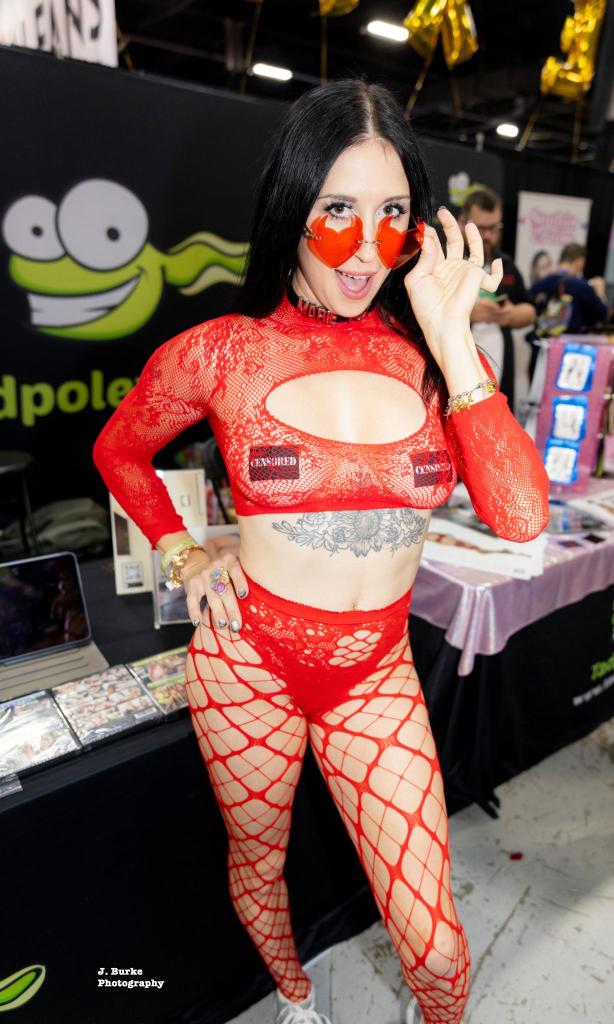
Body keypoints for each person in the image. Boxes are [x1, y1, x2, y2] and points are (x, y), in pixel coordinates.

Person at [92, 79, 550, 1024]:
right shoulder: (223, 352)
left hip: (375, 673)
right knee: (259, 864)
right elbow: (119, 451)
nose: (366, 246)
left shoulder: (432, 359)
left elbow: (519, 518)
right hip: (246, 663)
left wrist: (452, 335)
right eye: (338, 208)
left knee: (435, 945)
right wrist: (184, 553)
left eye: (392, 214)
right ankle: (296, 998)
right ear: (292, 203)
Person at [457, 187, 536, 414]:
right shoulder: (446, 262)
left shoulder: (506, 266)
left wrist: (509, 316)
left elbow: (529, 310)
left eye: (493, 228)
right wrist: (466, 312)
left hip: (499, 371)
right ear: (462, 222)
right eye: (481, 228)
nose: (488, 236)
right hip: (453, 367)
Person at [530, 242, 610, 335]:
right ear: (580, 261)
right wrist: (600, 292)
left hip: (543, 340)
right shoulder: (582, 286)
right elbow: (603, 315)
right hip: (571, 342)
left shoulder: (539, 284)